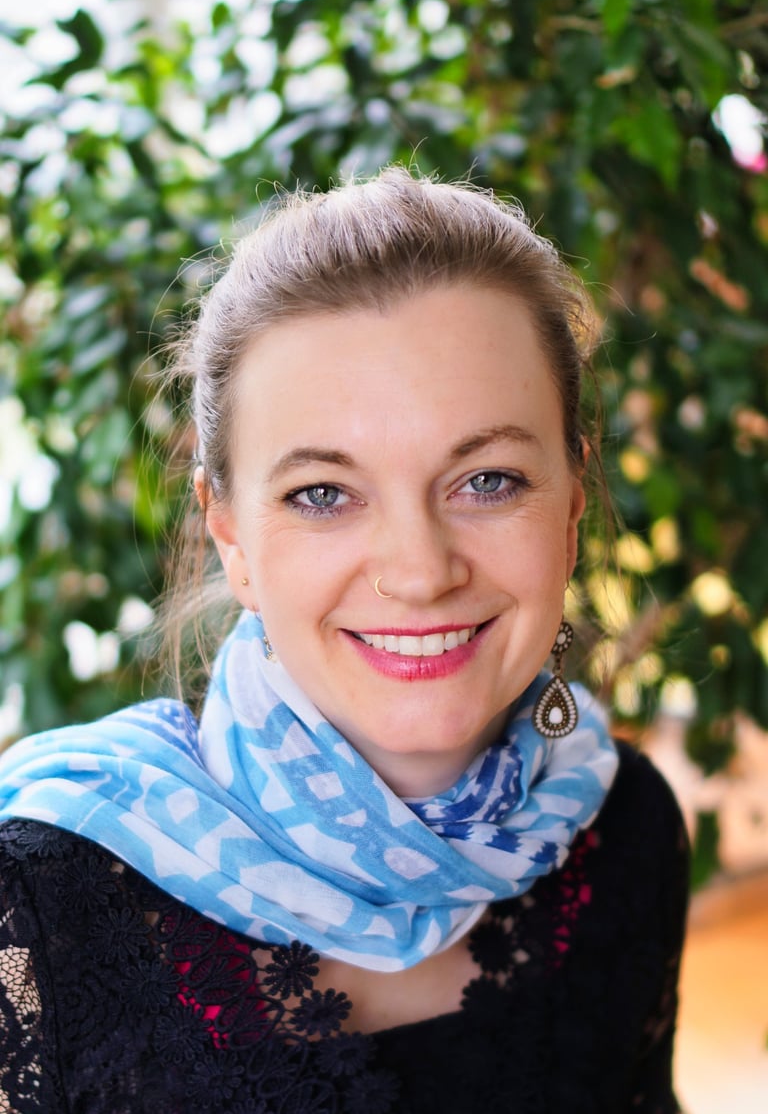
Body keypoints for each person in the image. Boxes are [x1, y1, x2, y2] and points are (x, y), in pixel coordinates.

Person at [0, 167, 688, 1113]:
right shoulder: (37, 909)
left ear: (571, 507)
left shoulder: (624, 830)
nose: (420, 570)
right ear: (230, 536)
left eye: (487, 479)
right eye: (323, 493)